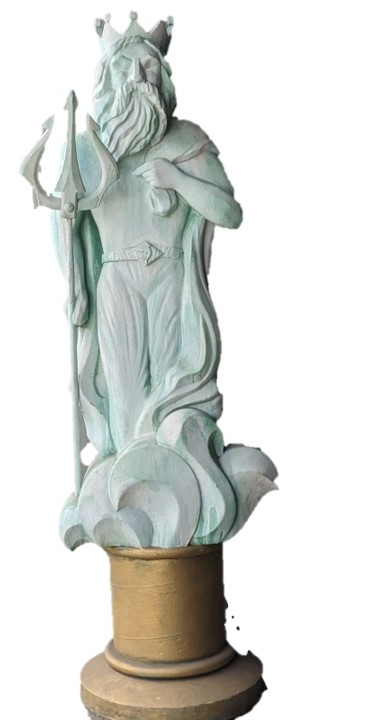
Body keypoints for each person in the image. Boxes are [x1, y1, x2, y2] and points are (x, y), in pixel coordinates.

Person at [54, 14, 242, 459]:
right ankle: (128, 485)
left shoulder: (186, 141)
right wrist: (74, 284)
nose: (138, 76)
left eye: (149, 66)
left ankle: (173, 482)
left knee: (172, 393)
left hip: (171, 279)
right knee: (124, 400)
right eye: (125, 66)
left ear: (164, 78)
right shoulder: (87, 151)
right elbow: (64, 224)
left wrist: (177, 179)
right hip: (117, 282)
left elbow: (229, 213)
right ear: (107, 77)